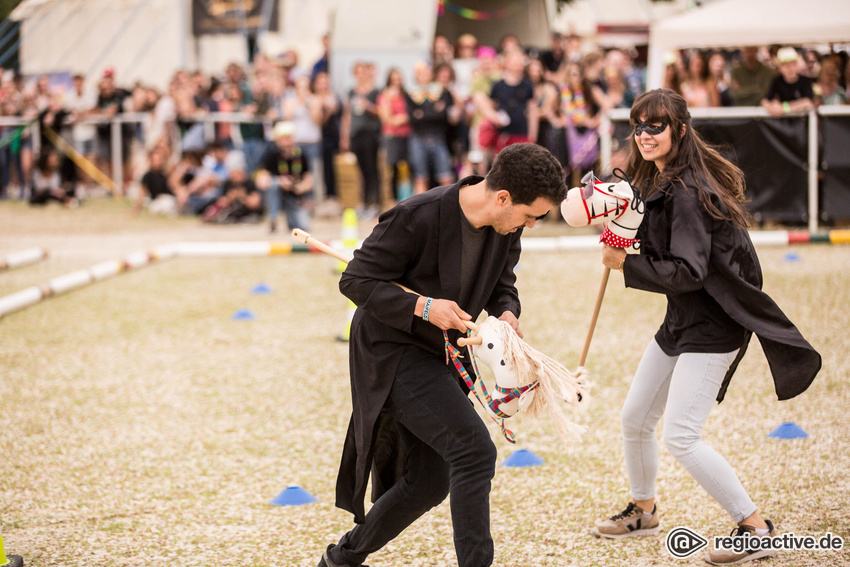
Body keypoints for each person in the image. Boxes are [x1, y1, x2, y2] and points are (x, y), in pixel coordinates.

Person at [593, 89, 821, 565]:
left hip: (714, 325)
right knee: (635, 418)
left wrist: (625, 265)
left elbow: (690, 271)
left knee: (681, 435)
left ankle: (756, 528)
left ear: (679, 128)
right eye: (638, 126)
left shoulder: (688, 191)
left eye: (655, 126)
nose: (644, 135)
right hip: (682, 320)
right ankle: (643, 509)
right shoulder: (660, 180)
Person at [319, 143, 567, 567]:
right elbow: (356, 281)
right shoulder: (416, 215)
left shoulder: (507, 226)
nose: (531, 224)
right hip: (392, 349)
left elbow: (502, 281)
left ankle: (339, 560)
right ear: (503, 198)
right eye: (530, 216)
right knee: (474, 451)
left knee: (431, 482)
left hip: (442, 353)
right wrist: (425, 306)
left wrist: (507, 312)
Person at [404, 61, 456, 195]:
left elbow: (443, 115)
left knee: (445, 175)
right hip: (418, 138)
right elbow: (412, 117)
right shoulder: (411, 93)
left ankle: (448, 206)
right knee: (420, 176)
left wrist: (422, 113)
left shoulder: (440, 91)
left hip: (438, 137)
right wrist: (433, 110)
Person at [255, 120, 313, 232]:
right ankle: (273, 218)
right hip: (277, 193)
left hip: (294, 195)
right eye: (284, 138)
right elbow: (261, 181)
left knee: (302, 227)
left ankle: (291, 220)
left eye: (290, 138)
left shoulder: (301, 154)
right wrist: (280, 182)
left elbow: (309, 179)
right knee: (272, 186)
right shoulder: (271, 153)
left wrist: (301, 186)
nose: (288, 142)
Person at [340, 62, 382, 217]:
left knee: (372, 169)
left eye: (362, 72)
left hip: (371, 134)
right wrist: (345, 136)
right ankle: (363, 203)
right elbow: (347, 115)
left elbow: (381, 111)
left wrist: (368, 106)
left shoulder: (375, 92)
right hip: (356, 134)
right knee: (360, 170)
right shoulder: (352, 92)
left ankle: (375, 203)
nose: (360, 75)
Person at [377, 67, 411, 203]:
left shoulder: (406, 95)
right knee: (391, 170)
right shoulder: (385, 96)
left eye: (399, 79)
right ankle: (392, 201)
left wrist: (400, 118)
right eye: (394, 79)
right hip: (391, 137)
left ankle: (406, 198)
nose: (396, 82)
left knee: (407, 170)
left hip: (406, 136)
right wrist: (404, 117)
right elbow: (387, 119)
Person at [760, 47, 815, 116]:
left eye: (793, 64)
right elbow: (765, 101)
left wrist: (784, 109)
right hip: (784, 123)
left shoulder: (805, 81)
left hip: (802, 122)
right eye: (786, 65)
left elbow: (808, 102)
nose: (790, 69)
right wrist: (772, 108)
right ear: (779, 68)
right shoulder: (777, 81)